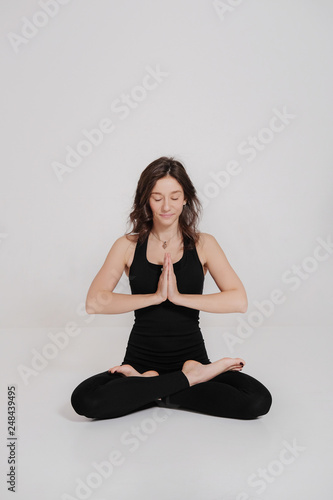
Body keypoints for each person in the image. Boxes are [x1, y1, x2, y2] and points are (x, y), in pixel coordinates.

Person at [71, 157, 272, 420]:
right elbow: (95, 302)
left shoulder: (203, 244)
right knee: (85, 400)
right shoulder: (127, 246)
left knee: (257, 401)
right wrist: (155, 297)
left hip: (191, 357)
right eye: (157, 198)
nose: (166, 206)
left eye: (175, 197)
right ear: (145, 199)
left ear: (186, 198)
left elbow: (238, 300)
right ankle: (189, 380)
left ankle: (148, 386)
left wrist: (178, 297)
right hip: (139, 363)